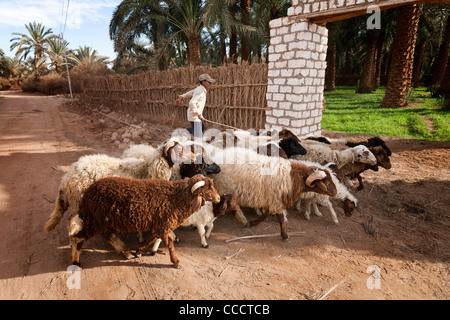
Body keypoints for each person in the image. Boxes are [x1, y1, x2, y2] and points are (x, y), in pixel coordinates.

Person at [175, 73, 216, 139]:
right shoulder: (200, 90)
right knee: (198, 137)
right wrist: (199, 114)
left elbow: (191, 92)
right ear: (203, 82)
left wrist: (182, 97)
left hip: (195, 115)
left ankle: (182, 132)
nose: (210, 83)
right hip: (194, 116)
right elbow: (192, 102)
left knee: (202, 128)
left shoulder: (200, 89)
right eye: (209, 82)